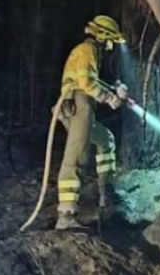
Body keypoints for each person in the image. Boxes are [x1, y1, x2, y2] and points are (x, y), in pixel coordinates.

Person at [54, 15, 128, 230]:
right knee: (75, 158)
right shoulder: (87, 51)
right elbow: (86, 83)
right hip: (79, 106)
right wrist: (111, 98)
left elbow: (90, 80)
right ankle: (66, 215)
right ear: (104, 37)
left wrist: (115, 91)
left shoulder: (87, 51)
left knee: (106, 140)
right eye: (111, 41)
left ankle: (107, 197)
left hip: (82, 105)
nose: (111, 47)